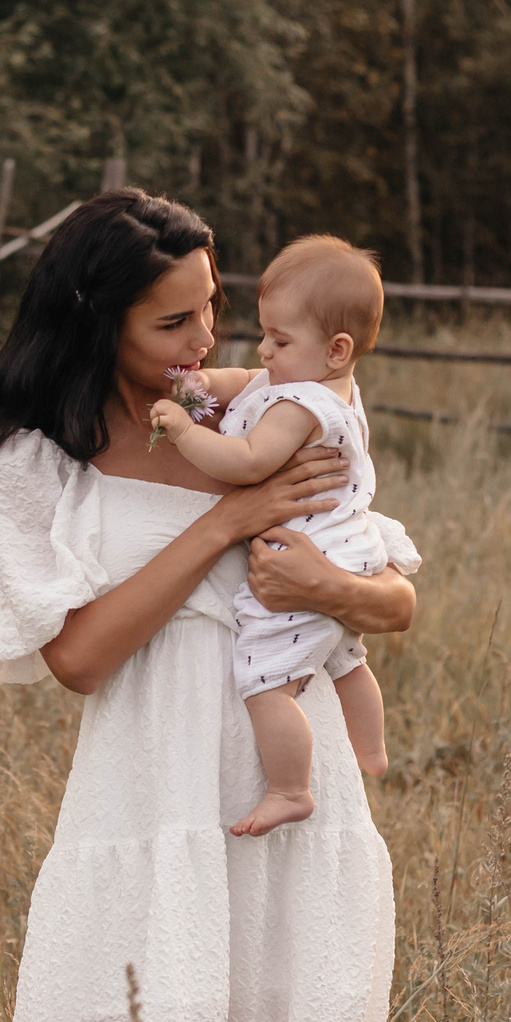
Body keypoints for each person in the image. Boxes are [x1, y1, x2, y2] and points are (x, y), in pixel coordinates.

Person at [0, 189, 419, 1022]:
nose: (206, 343)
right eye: (173, 324)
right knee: (130, 1006)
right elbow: (75, 658)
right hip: (151, 776)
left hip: (284, 765)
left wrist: (331, 585)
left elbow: (391, 592)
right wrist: (224, 521)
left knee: (285, 999)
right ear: (96, 319)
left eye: (213, 308)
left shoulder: (284, 407)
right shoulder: (35, 458)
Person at [148, 235, 390, 838]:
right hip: (344, 550)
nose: (264, 350)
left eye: (279, 341)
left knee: (264, 684)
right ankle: (372, 750)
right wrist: (192, 384)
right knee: (346, 659)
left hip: (298, 558)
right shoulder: (324, 385)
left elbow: (249, 462)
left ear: (336, 349)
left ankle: (290, 789)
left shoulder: (300, 405)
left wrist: (182, 427)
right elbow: (241, 379)